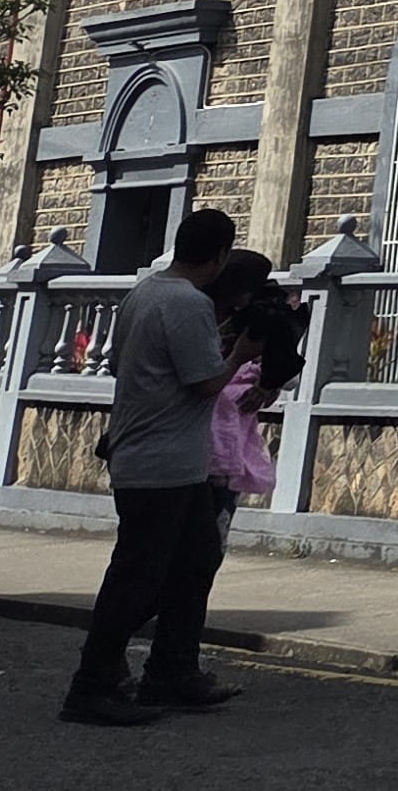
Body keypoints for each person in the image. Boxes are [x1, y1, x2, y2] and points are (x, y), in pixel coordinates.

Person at [61, 208, 257, 728]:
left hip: (167, 461)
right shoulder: (189, 303)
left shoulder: (144, 292)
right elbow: (205, 384)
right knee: (138, 579)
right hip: (160, 464)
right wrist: (242, 353)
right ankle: (92, 685)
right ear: (219, 257)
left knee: (194, 562)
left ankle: (172, 670)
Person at [202, 251, 288, 548]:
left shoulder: (247, 326)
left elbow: (279, 374)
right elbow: (204, 383)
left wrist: (267, 383)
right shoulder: (199, 318)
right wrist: (237, 355)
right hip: (196, 449)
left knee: (212, 540)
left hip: (227, 449)